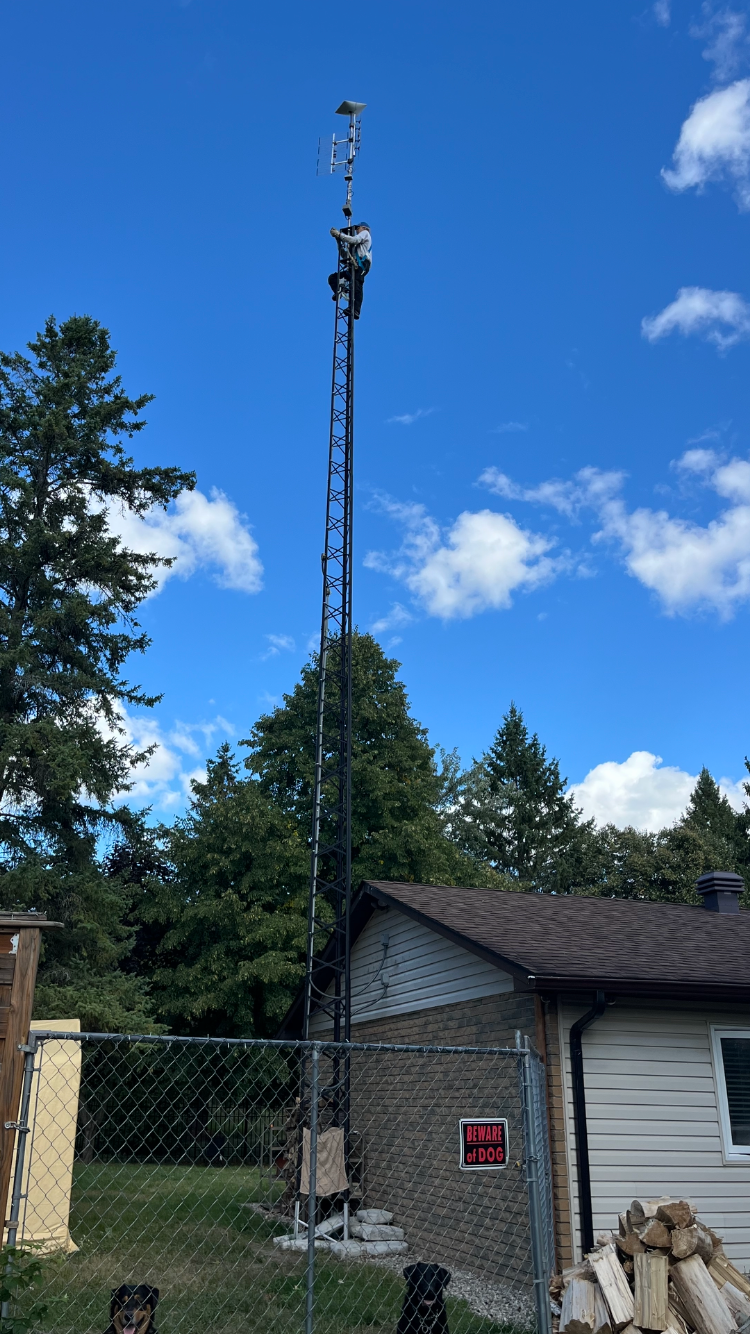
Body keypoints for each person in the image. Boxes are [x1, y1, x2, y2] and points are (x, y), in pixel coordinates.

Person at [328, 222, 372, 319]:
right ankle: (339, 290)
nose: (357, 231)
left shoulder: (365, 233)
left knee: (357, 284)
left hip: (362, 265)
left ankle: (355, 309)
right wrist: (338, 240)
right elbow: (345, 256)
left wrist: (340, 235)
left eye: (358, 228)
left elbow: (354, 240)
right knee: (333, 278)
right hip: (354, 266)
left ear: (364, 228)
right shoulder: (356, 248)